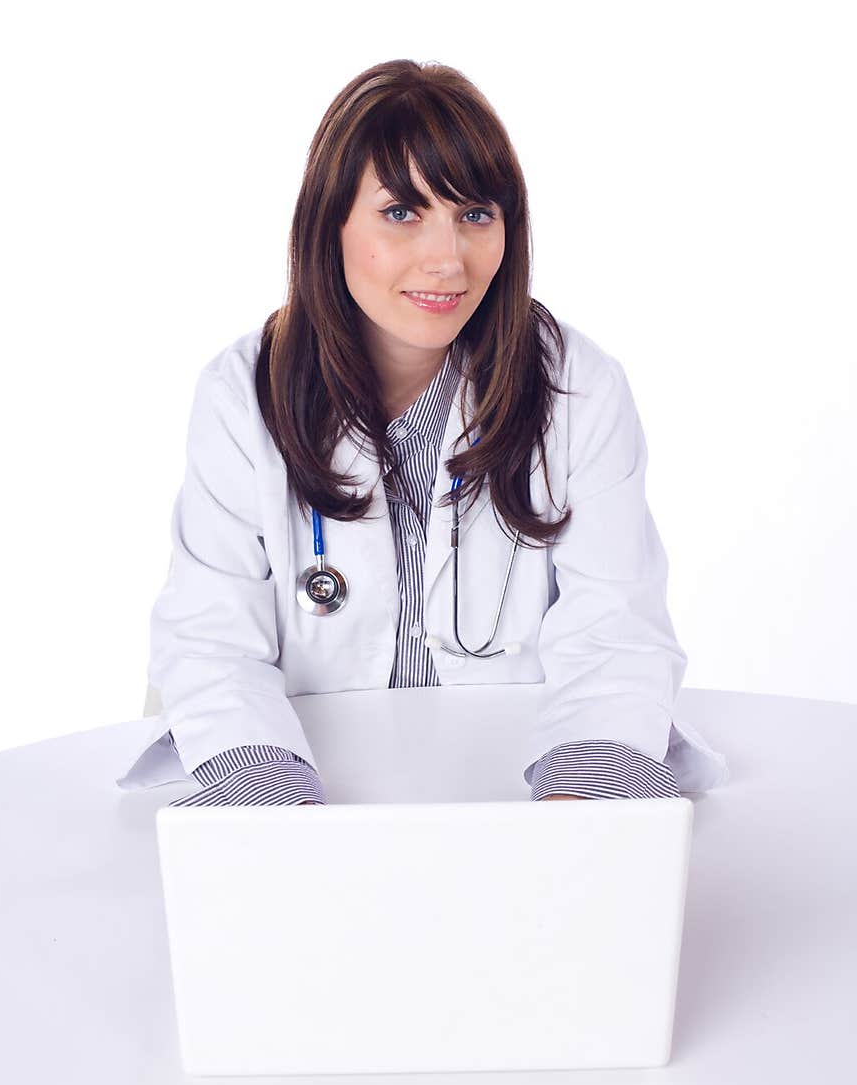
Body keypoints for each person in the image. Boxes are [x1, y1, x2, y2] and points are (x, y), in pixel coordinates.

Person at [113, 58, 729, 806]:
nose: (447, 260)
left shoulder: (577, 388)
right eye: (402, 212)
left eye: (475, 215)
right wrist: (268, 813)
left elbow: (617, 633)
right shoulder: (244, 395)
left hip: (520, 795)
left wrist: (578, 825)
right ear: (328, 221)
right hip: (314, 794)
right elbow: (211, 643)